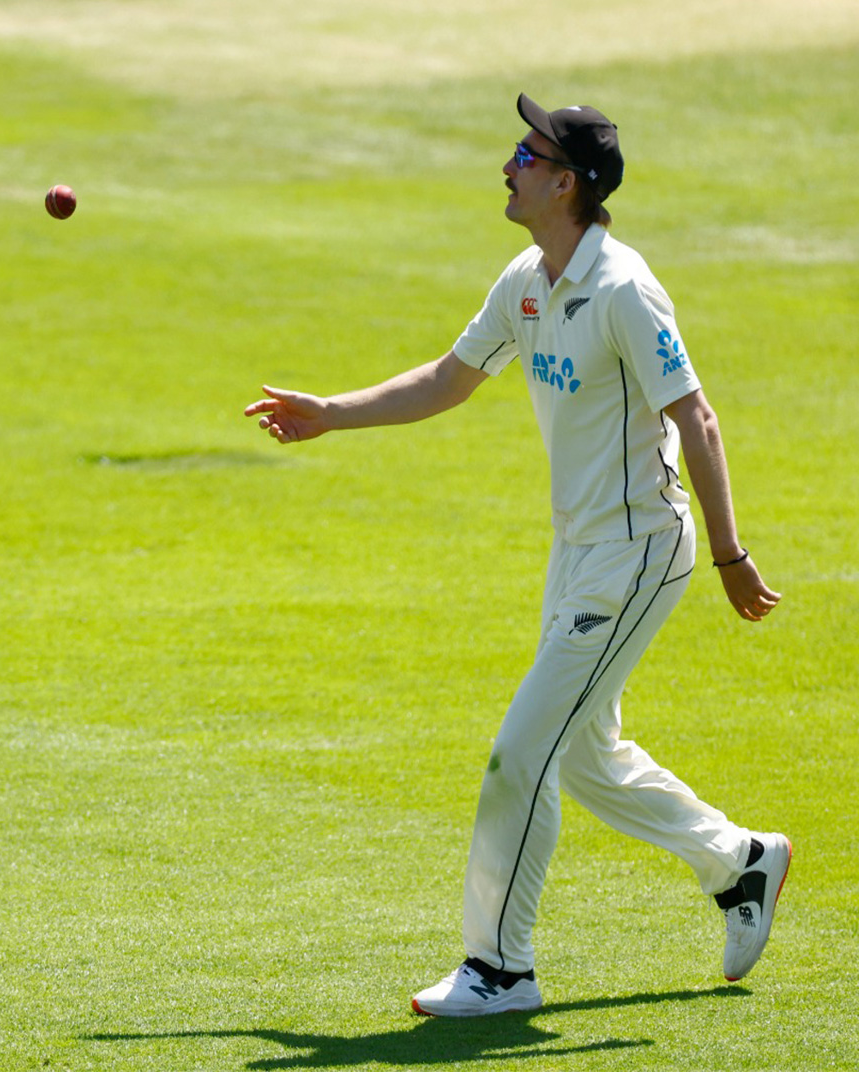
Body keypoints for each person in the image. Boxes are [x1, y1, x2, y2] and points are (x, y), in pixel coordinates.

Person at [245, 94, 787, 1018]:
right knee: (581, 755)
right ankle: (738, 863)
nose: (509, 165)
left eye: (527, 157)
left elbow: (694, 414)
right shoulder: (528, 279)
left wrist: (732, 555)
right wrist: (329, 413)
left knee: (518, 754)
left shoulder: (622, 288)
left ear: (568, 182)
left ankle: (499, 969)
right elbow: (450, 379)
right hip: (578, 552)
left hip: (638, 552)